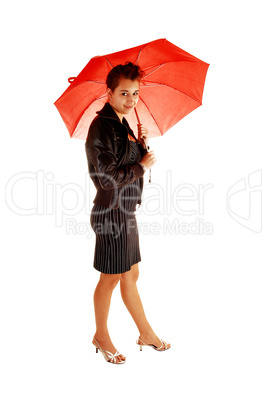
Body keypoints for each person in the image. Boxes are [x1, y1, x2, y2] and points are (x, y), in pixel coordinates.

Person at [85, 62, 170, 364]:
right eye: (124, 93)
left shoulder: (122, 125)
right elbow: (108, 177)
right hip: (110, 213)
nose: (131, 100)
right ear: (108, 93)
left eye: (135, 93)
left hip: (125, 212)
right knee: (110, 278)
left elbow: (125, 163)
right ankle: (102, 336)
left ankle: (145, 334)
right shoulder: (102, 127)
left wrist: (141, 144)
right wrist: (141, 165)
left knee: (131, 272)